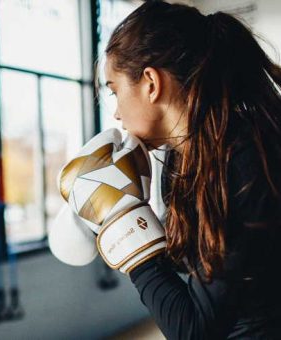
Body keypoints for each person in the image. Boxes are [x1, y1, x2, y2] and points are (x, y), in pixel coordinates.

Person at [50, 1, 281, 338]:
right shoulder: (187, 159)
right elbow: (195, 270)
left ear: (150, 84)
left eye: (115, 92)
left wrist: (126, 230)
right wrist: (113, 215)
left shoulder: (242, 160)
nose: (115, 114)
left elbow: (194, 330)